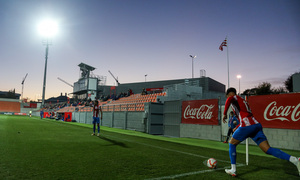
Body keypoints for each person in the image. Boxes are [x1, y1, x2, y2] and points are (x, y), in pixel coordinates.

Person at [223, 87, 300, 177]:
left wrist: (224, 113)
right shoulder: (241, 101)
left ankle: (233, 170)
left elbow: (230, 99)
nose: (228, 98)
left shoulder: (234, 97)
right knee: (267, 149)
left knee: (232, 143)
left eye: (227, 96)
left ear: (229, 94)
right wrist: (237, 126)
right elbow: (244, 116)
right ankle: (295, 160)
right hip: (255, 125)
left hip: (247, 125)